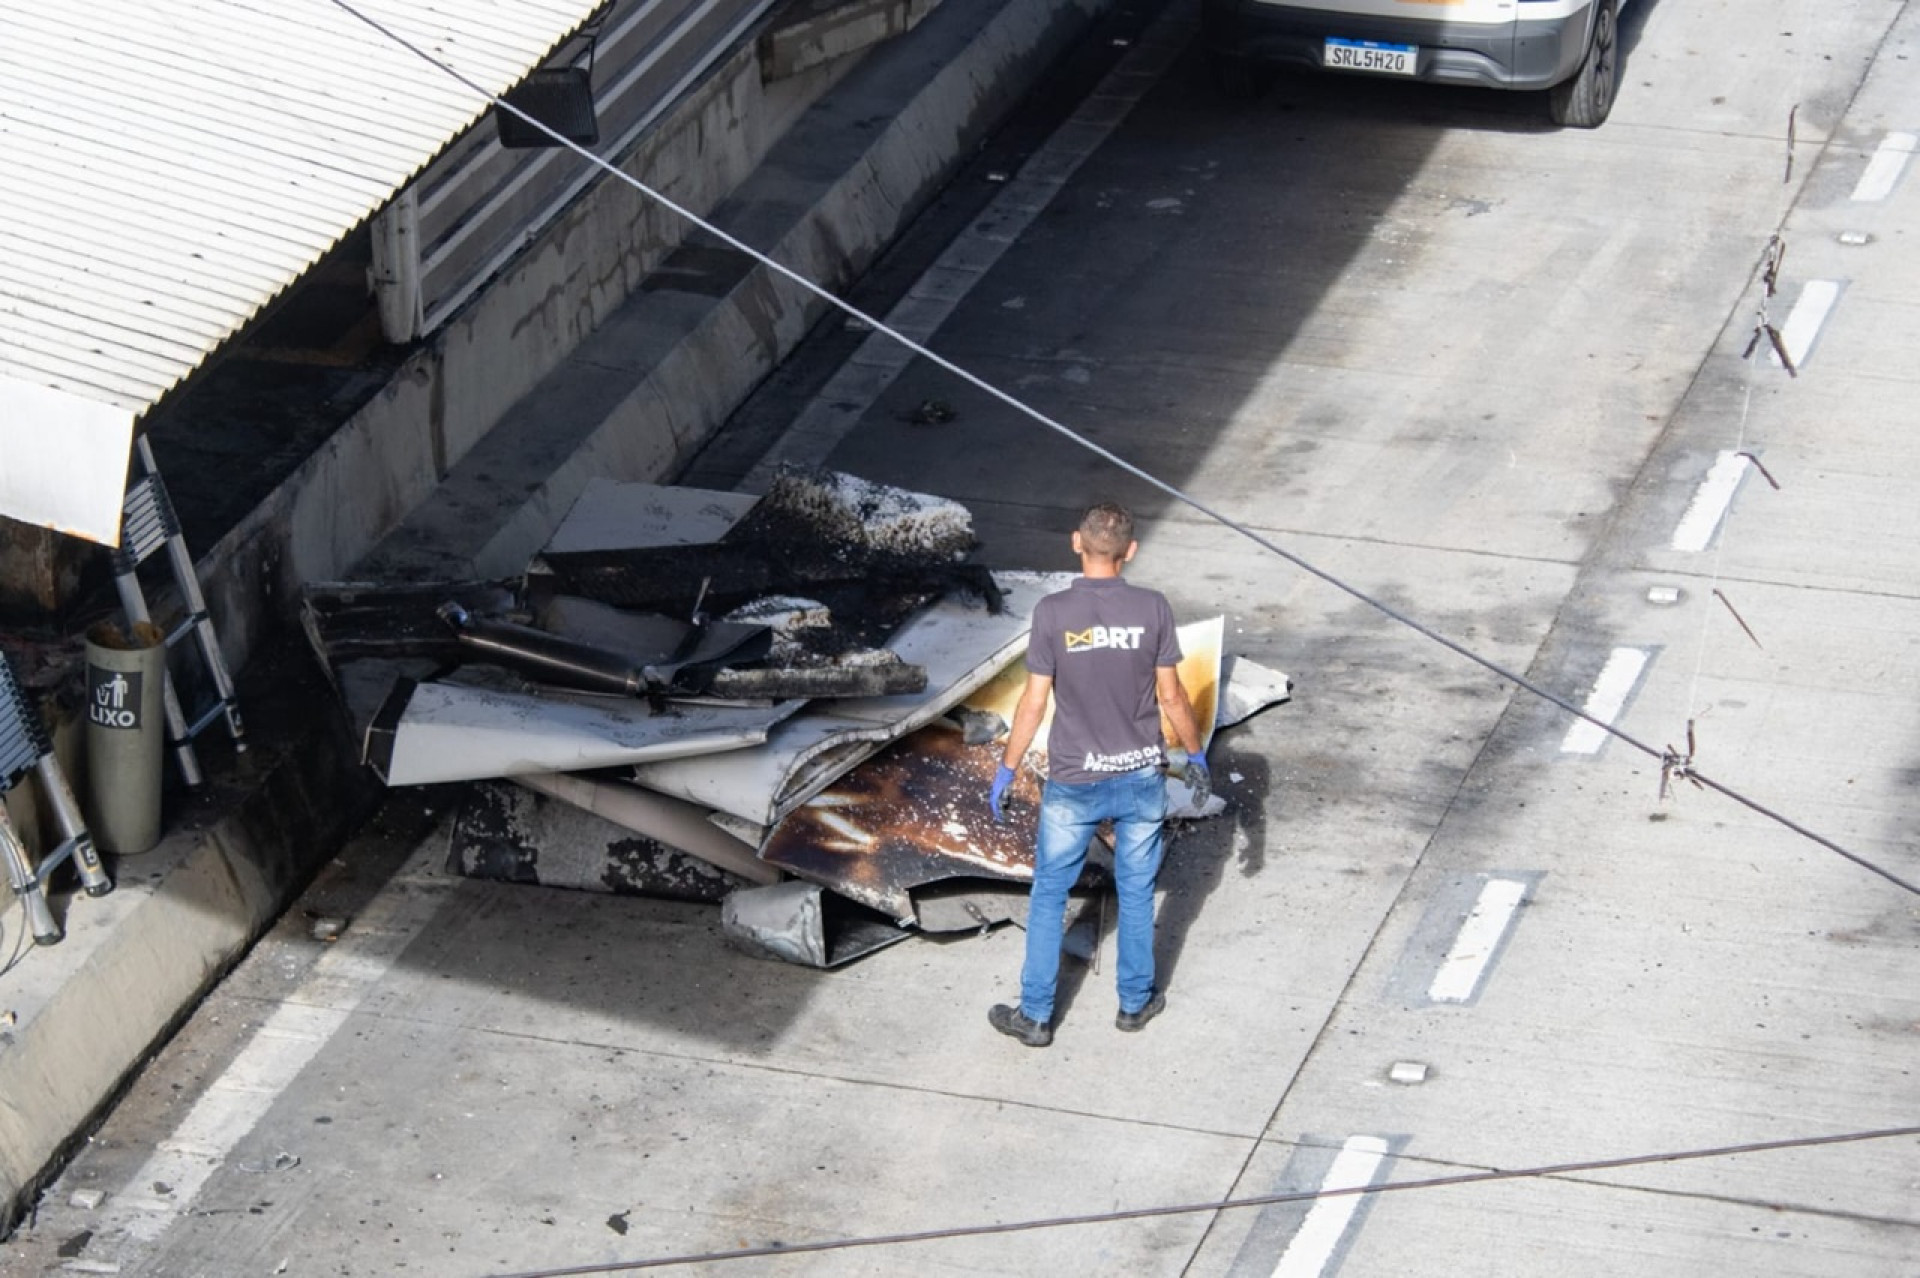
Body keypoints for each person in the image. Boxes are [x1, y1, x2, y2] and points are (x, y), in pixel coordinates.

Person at [987, 502, 1208, 1047]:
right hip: (1140, 777)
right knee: (1136, 892)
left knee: (1049, 894)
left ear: (1075, 543)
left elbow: (1034, 702)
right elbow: (1172, 697)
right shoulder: (1153, 608)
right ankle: (1134, 1003)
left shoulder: (1052, 613)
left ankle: (1036, 1017)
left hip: (1073, 782)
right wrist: (1196, 756)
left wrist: (1007, 768)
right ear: (1130, 551)